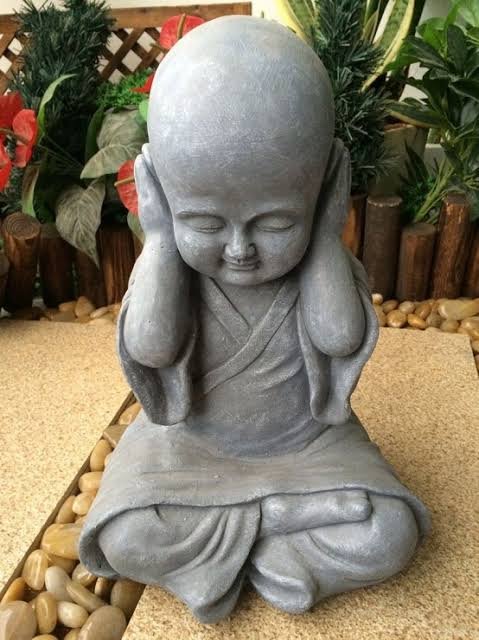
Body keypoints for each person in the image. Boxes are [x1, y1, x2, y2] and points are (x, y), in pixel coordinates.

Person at [79, 16, 430, 623]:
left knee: (390, 532)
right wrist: (160, 240)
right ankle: (281, 526)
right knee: (126, 536)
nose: (239, 249)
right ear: (158, 188)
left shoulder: (317, 262)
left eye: (275, 222)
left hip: (307, 446)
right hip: (194, 449)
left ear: (322, 188)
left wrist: (325, 235)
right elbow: (154, 348)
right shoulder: (171, 267)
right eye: (205, 223)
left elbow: (339, 336)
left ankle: (246, 543)